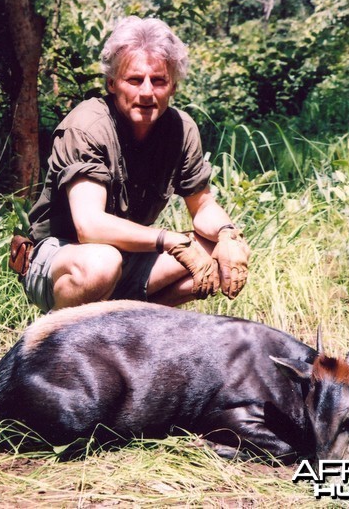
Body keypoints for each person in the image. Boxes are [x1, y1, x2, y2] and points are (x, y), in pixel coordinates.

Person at [22, 16, 250, 313]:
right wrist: (169, 240)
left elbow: (202, 205)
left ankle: (124, 328)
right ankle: (58, 344)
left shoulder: (181, 129)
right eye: (134, 80)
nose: (146, 92)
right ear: (112, 84)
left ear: (173, 87)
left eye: (158, 81)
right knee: (102, 263)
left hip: (126, 255)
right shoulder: (88, 125)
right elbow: (88, 226)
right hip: (61, 258)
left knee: (222, 254)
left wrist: (226, 234)